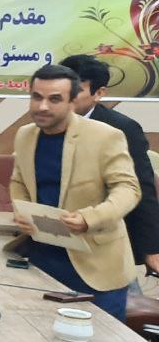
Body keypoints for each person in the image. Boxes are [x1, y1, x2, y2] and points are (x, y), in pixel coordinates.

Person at [9, 64, 139, 321]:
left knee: (101, 341)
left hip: (95, 265)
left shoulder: (105, 136)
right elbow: (18, 181)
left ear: (72, 102)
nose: (42, 106)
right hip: (41, 258)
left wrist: (90, 218)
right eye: (37, 97)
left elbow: (128, 189)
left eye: (54, 99)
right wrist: (23, 210)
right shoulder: (25, 135)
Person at [60, 54, 159, 278]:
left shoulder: (122, 129)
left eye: (76, 91)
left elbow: (141, 189)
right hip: (59, 237)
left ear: (99, 93)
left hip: (105, 240)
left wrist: (151, 250)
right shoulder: (46, 123)